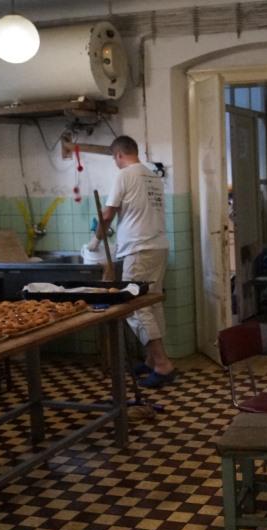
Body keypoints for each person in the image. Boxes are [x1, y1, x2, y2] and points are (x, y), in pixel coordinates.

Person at [99, 135, 176, 388]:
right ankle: (152, 360)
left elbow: (107, 214)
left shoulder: (124, 175)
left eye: (115, 159)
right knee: (152, 302)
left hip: (138, 248)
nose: (115, 163)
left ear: (118, 155)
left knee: (134, 305)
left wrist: (96, 239)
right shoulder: (153, 176)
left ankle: (162, 364)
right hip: (158, 246)